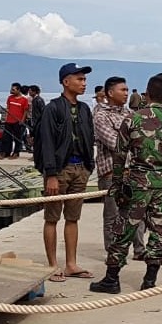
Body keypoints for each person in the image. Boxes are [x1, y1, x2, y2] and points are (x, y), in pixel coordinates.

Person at [89, 75, 162, 293]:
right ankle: (150, 280)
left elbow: (120, 156)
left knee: (124, 229)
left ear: (147, 94)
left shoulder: (132, 119)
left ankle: (112, 279)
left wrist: (116, 185)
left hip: (137, 183)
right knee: (158, 231)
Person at [35, 63, 96, 281]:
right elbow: (46, 142)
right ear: (65, 81)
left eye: (84, 80)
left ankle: (71, 263)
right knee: (52, 217)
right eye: (79, 79)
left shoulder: (84, 109)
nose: (83, 83)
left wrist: (90, 166)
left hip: (81, 167)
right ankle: (52, 264)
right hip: (59, 170)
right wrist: (50, 173)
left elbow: (89, 135)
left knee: (73, 218)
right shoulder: (52, 108)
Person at [94, 76, 146, 260]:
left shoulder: (129, 114)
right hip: (111, 173)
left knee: (136, 212)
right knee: (113, 215)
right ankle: (114, 252)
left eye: (126, 90)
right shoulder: (101, 115)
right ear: (110, 93)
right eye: (122, 90)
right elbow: (115, 143)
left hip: (133, 171)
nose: (126, 93)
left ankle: (140, 250)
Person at [0, 82, 30, 159]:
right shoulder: (10, 98)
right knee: (6, 137)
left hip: (18, 121)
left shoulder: (24, 100)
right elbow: (8, 108)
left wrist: (22, 120)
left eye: (13, 89)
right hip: (9, 121)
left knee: (17, 138)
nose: (11, 91)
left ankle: (16, 152)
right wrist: (5, 118)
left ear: (18, 90)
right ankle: (5, 152)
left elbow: (25, 111)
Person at [27, 85, 45, 153]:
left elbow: (42, 111)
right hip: (34, 122)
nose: (29, 92)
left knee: (37, 138)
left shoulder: (38, 100)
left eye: (30, 91)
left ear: (34, 92)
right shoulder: (35, 99)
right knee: (34, 138)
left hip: (38, 123)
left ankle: (38, 153)